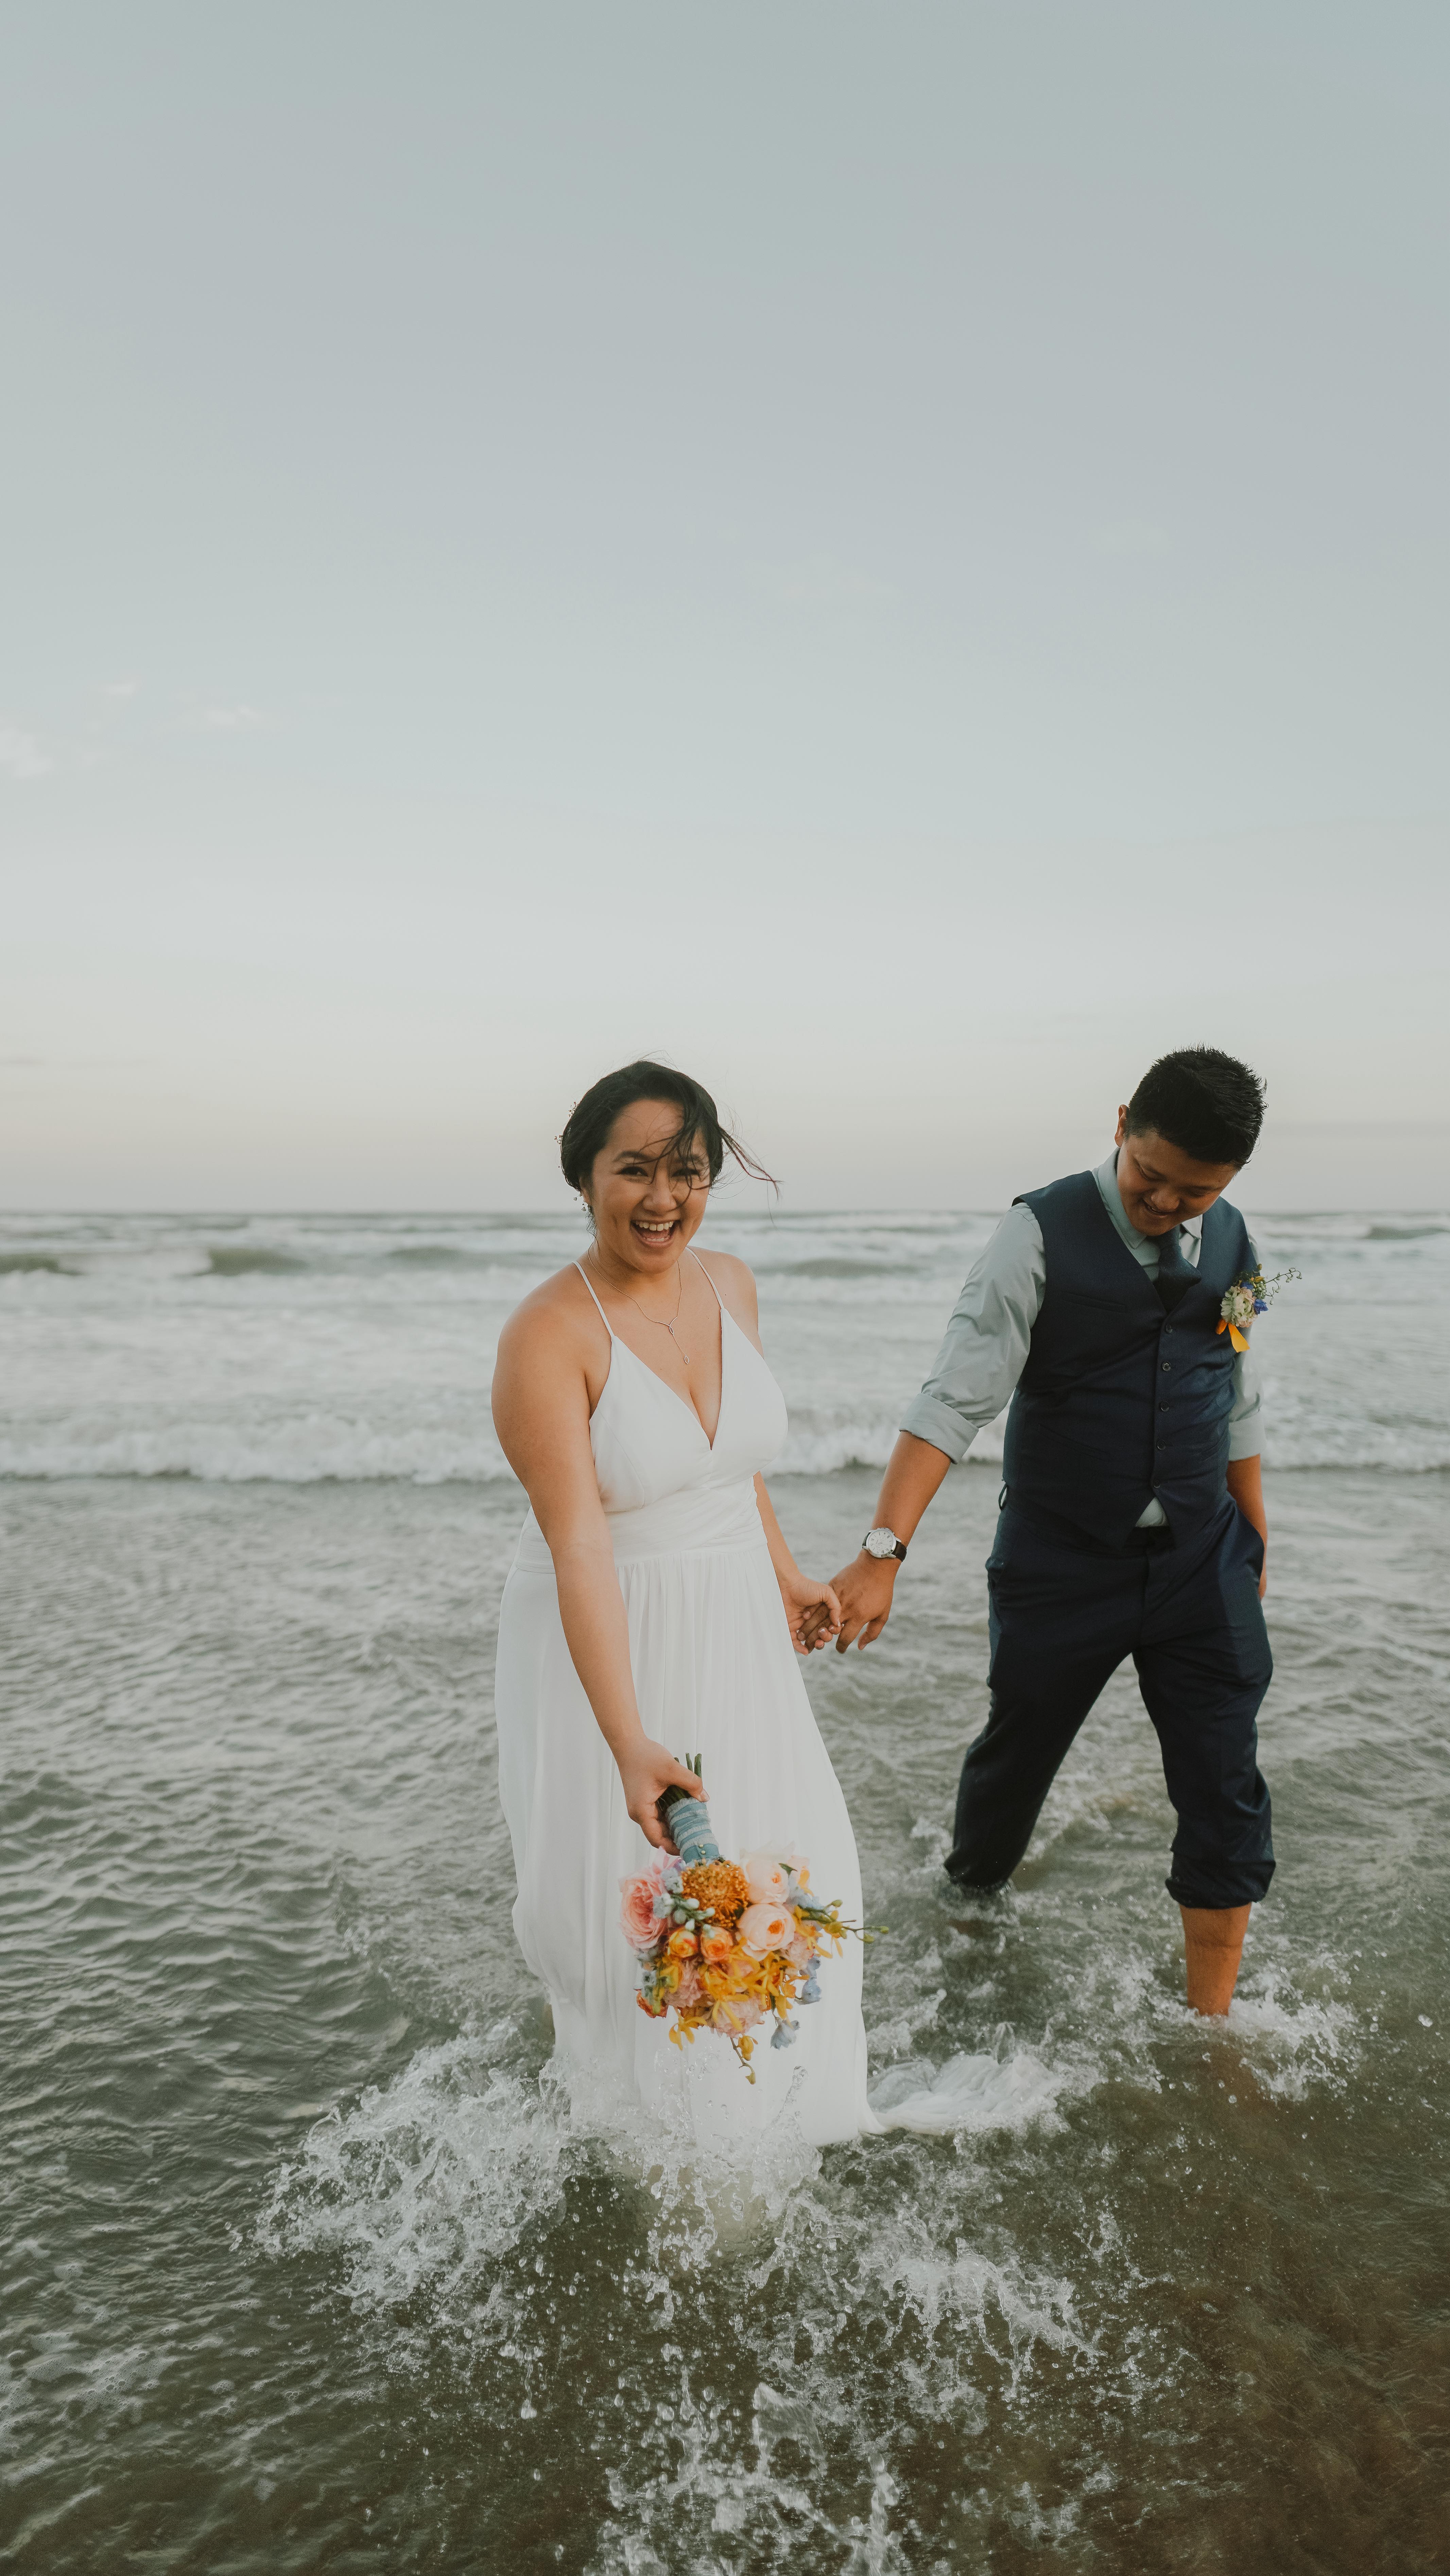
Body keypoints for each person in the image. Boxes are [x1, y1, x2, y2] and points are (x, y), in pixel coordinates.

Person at [828, 1047, 1275, 2017]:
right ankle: (969, 1915)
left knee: (1225, 1779)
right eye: (1149, 1175)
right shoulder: (1034, 1233)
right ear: (1120, 1125)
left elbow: (1233, 1387)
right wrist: (881, 1553)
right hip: (1061, 1561)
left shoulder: (1236, 1240)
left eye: (1194, 1191)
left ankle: (1212, 2024)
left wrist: (1252, 1527)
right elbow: (953, 1400)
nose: (1166, 1203)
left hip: (1202, 1561)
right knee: (1017, 1751)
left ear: (1231, 1177)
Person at [490, 1059, 880, 2148]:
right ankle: (644, 2140)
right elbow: (578, 1546)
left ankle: (775, 2111)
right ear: (582, 1177)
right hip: (610, 1631)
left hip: (735, 1620)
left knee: (781, 1857)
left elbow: (729, 1466)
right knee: (627, 1900)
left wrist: (785, 1573)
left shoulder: (732, 1283)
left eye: (689, 1171)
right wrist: (627, 1739)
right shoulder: (546, 1335)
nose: (663, 1198)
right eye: (635, 1170)